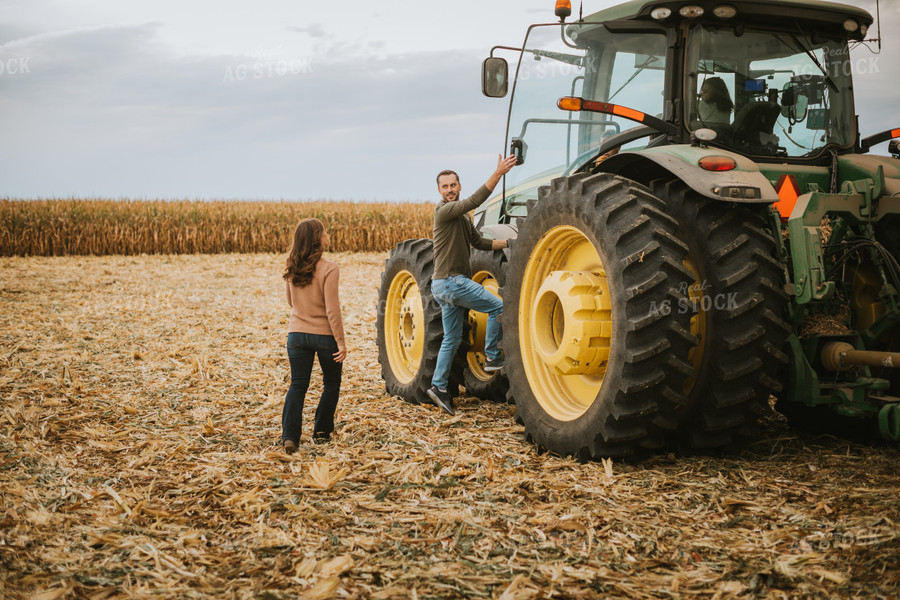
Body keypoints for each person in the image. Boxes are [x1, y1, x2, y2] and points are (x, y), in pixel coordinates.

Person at [427, 154, 518, 415]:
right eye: (445, 187)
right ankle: (492, 356)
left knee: (451, 339)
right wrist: (498, 172)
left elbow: (479, 242)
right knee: (497, 307)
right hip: (451, 282)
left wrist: (510, 243)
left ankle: (439, 387)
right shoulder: (444, 212)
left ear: (459, 185)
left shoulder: (462, 220)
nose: (450, 190)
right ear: (439, 191)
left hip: (444, 286)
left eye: (453, 185)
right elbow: (475, 201)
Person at [281, 218, 347, 454]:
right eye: (324, 232)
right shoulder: (330, 268)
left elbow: (290, 302)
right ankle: (321, 431)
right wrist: (341, 341)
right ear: (317, 238)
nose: (327, 235)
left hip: (296, 334)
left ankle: (290, 437)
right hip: (324, 336)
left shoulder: (292, 266)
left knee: (298, 385)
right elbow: (332, 309)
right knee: (331, 383)